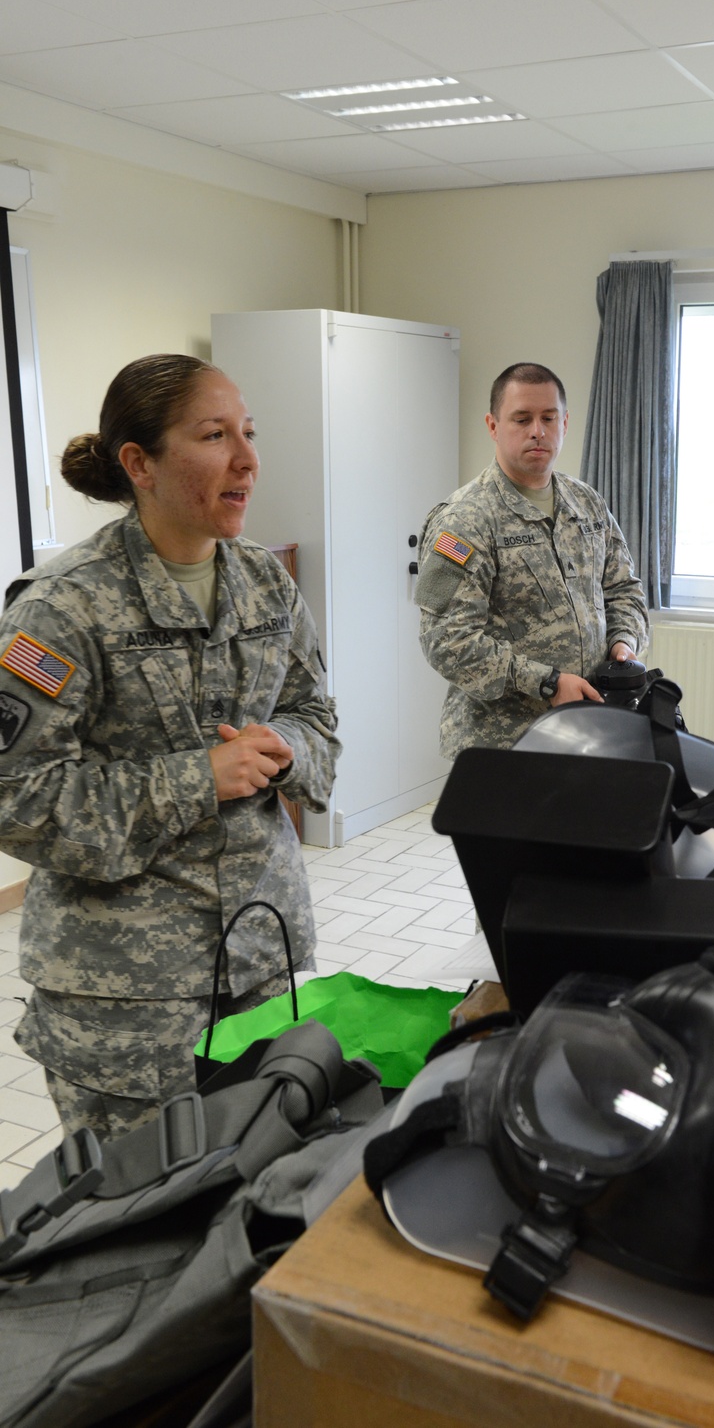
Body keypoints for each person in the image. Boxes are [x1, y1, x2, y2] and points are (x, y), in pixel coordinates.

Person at [0, 355, 340, 1141]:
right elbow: (16, 798)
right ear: (139, 464)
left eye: (247, 434)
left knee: (257, 1200)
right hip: (124, 1004)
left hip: (260, 958)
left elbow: (316, 715)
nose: (247, 459)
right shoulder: (61, 609)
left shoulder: (265, 583)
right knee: (132, 1233)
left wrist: (284, 746)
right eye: (214, 436)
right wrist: (197, 780)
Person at [416, 361, 649, 756]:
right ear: (493, 425)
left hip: (588, 733)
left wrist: (623, 643)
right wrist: (548, 683)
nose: (537, 431)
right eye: (521, 419)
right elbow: (446, 641)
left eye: (548, 418)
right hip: (504, 746)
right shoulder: (464, 520)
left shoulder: (587, 504)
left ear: (565, 422)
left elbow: (624, 590)